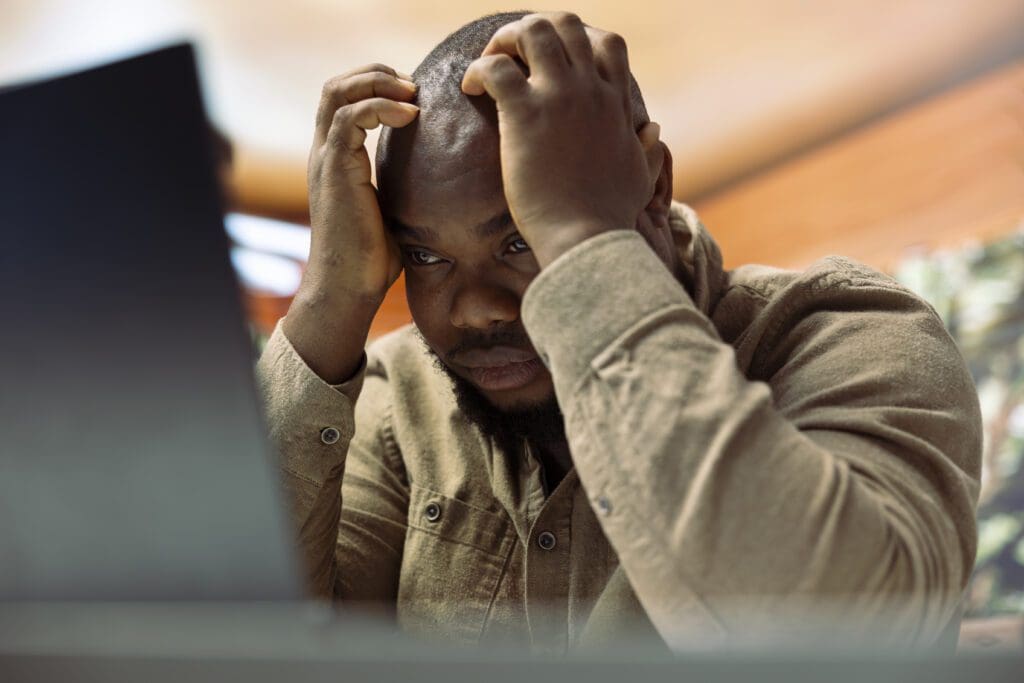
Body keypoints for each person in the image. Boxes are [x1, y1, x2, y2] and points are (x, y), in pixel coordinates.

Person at [256, 10, 982, 653]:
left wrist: (579, 237)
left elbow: (839, 642)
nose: (474, 309)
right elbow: (256, 642)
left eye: (520, 239)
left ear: (651, 185)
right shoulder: (397, 391)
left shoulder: (850, 335)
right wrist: (327, 300)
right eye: (425, 255)